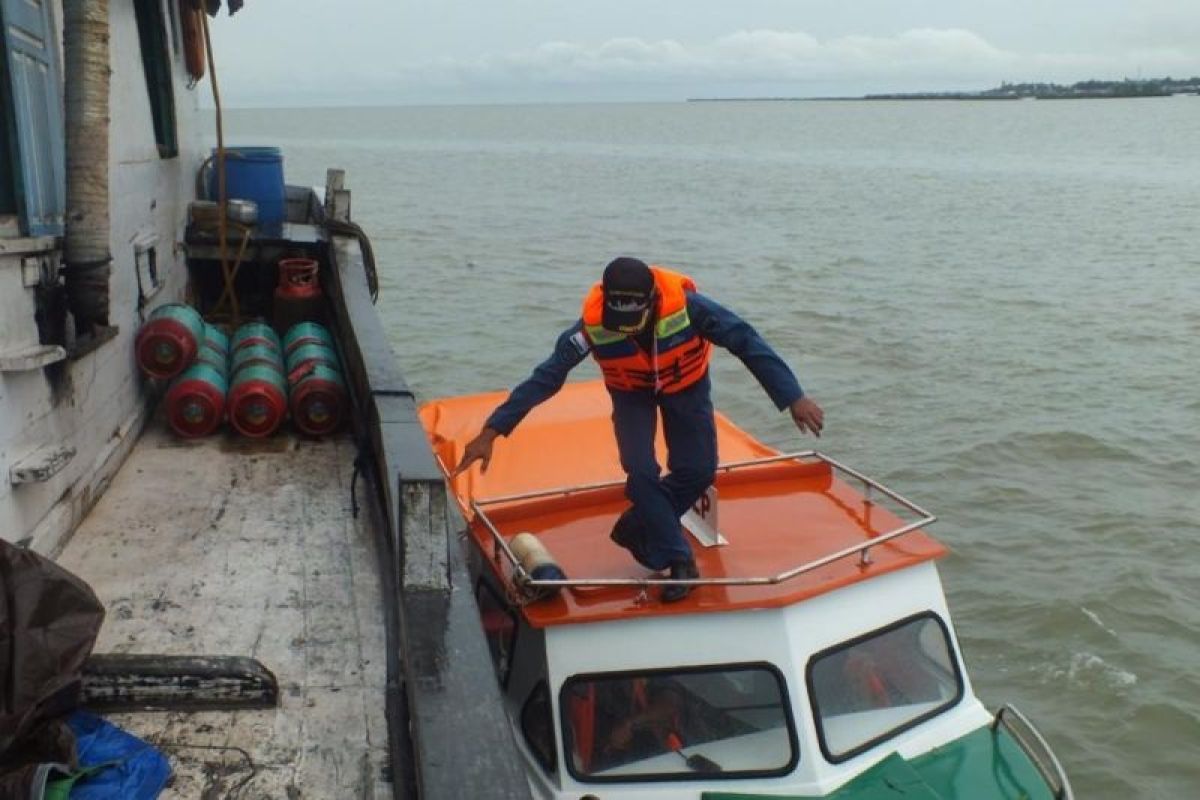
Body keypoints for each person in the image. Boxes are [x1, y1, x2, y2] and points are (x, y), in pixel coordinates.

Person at [453, 257, 823, 602]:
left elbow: (747, 341)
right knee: (640, 469)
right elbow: (548, 376)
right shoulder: (589, 328)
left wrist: (793, 396)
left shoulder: (692, 309)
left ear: (653, 300)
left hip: (686, 388)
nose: (627, 330)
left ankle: (640, 523)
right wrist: (492, 431)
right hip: (632, 396)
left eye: (634, 321)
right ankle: (680, 561)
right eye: (620, 324)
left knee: (698, 471)